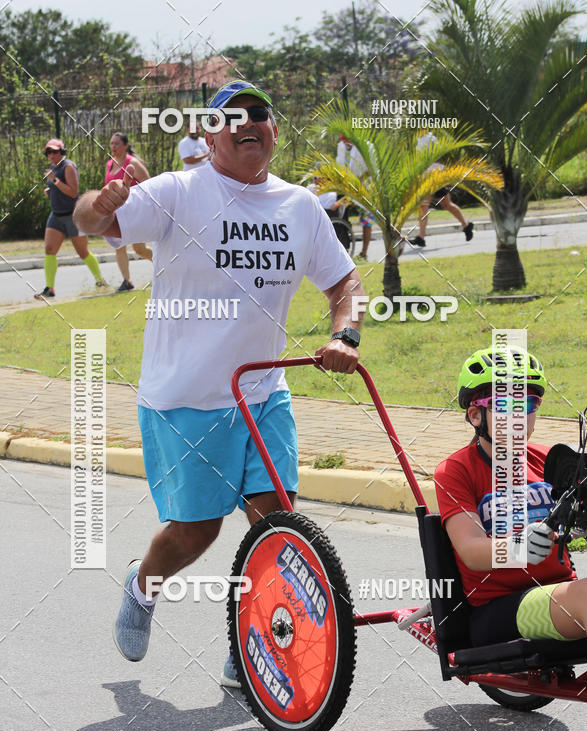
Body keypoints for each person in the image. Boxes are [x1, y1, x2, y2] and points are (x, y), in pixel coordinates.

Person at [73, 80, 366, 686]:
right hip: (186, 399)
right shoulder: (180, 191)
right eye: (230, 118)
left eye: (259, 114)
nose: (246, 124)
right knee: (195, 532)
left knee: (277, 524)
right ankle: (142, 585)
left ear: (274, 130)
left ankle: (251, 642)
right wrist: (100, 203)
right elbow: (89, 222)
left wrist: (346, 336)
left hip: (261, 392)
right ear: (209, 136)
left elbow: (345, 285)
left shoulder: (300, 206)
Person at [435, 345, 587, 654]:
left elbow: (582, 516)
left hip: (561, 593)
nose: (519, 416)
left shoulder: (548, 459)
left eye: (528, 404)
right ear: (475, 414)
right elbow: (470, 550)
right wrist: (518, 548)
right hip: (498, 610)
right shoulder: (456, 470)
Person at [34, 139, 107, 299]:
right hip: (56, 215)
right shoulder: (54, 168)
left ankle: (100, 281)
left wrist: (54, 181)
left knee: (82, 252)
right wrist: (51, 189)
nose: (51, 155)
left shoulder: (68, 166)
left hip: (74, 216)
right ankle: (49, 289)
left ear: (62, 152)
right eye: (48, 152)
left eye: (55, 151)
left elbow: (73, 192)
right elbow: (59, 187)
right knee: (49, 250)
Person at [105, 133, 153, 292]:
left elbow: (149, 185)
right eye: (111, 143)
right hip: (118, 213)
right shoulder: (109, 164)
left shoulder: (133, 163)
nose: (113, 147)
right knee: (119, 247)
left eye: (117, 144)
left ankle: (168, 266)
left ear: (126, 145)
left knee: (139, 249)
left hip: (135, 212)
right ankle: (127, 281)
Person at [408, 132, 474, 249]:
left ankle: (466, 225)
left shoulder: (430, 138)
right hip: (426, 176)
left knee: (446, 205)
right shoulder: (419, 138)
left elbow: (436, 153)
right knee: (425, 207)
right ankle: (421, 238)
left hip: (435, 175)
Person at [336, 136, 374, 261]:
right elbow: (339, 166)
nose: (344, 141)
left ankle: (364, 253)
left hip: (365, 187)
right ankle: (344, 250)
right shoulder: (341, 147)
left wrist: (357, 182)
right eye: (342, 138)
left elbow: (371, 169)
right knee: (341, 215)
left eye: (346, 138)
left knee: (366, 220)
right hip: (347, 188)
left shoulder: (366, 146)